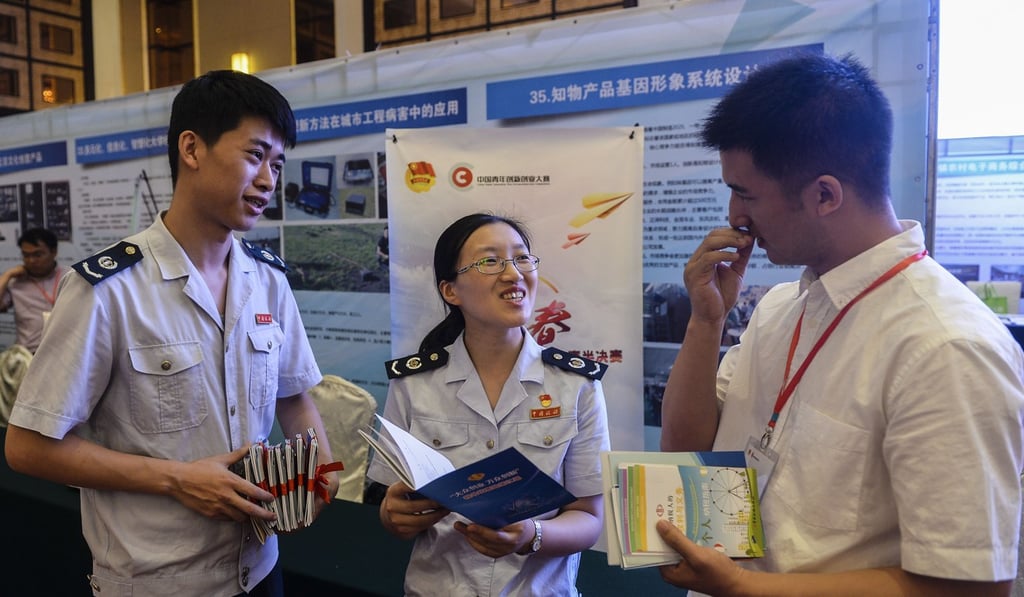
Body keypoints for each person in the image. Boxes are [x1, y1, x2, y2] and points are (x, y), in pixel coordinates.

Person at [658, 52, 1024, 596]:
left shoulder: (946, 345)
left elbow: (969, 586)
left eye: (747, 193)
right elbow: (687, 449)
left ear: (825, 195)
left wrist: (742, 586)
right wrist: (704, 324)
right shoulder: (783, 307)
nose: (735, 216)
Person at [4, 70, 339, 597]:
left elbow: (293, 395)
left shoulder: (268, 279)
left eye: (278, 164)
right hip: (159, 581)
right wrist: (176, 478)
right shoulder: (108, 289)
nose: (269, 180)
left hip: (260, 565)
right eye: (254, 155)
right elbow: (28, 448)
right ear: (192, 148)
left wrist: (322, 463)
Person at [367, 213, 610, 596]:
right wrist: (394, 515)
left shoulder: (577, 386)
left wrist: (532, 534)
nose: (513, 273)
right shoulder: (413, 384)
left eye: (522, 258)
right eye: (490, 261)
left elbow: (589, 518)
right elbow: (391, 504)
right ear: (451, 291)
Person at [0, 227, 67, 353]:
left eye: (37, 254)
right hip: (29, 354)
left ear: (54, 252)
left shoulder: (69, 277)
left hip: (64, 351)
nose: (31, 261)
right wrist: (8, 274)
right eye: (26, 255)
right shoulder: (16, 283)